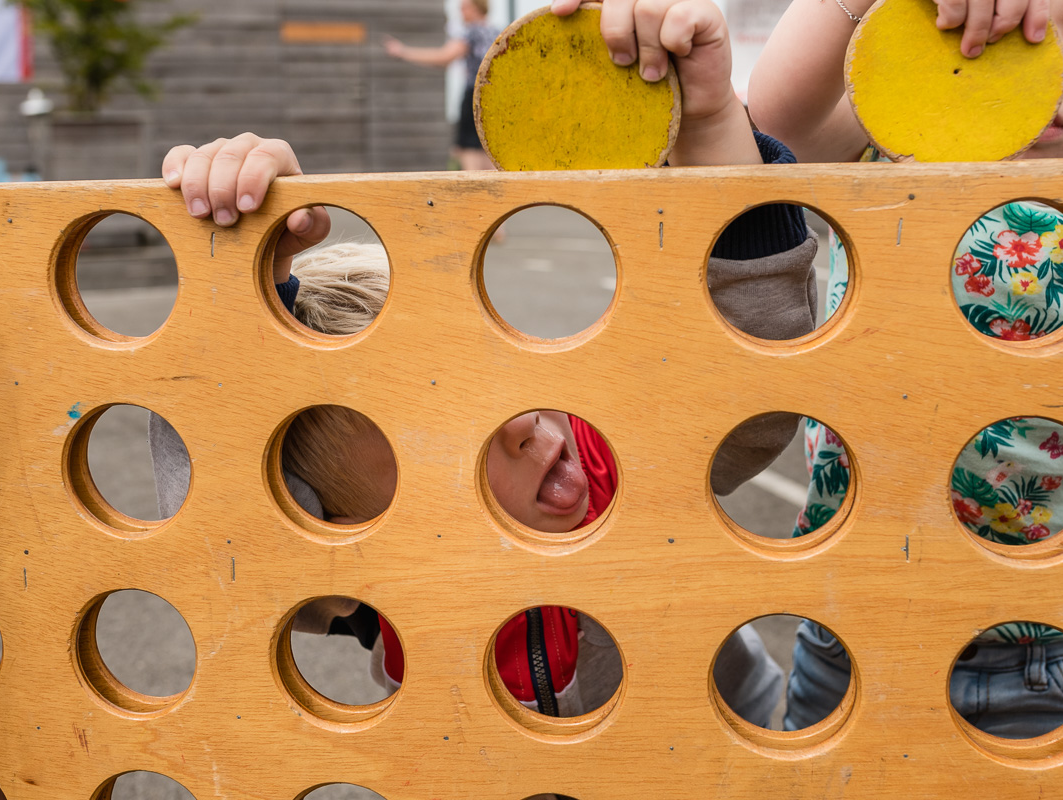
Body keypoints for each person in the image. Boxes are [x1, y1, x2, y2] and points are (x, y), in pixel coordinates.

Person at [156, 0, 825, 722]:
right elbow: (227, 544)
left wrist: (708, 121)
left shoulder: (613, 470)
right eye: (444, 436)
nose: (528, 427)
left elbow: (752, 366)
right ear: (339, 530)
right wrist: (235, 293)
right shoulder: (381, 588)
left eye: (501, 384)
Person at [747, 0, 1063, 737]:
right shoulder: (889, 159)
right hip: (859, 624)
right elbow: (776, 125)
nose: (1041, 67)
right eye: (1001, 32)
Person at [384, 0, 500, 172]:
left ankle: (477, 198)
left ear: (476, 8)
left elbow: (444, 57)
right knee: (491, 152)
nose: (460, 13)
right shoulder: (497, 32)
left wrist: (403, 52)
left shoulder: (472, 32)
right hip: (497, 99)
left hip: (475, 99)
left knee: (470, 153)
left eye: (463, 8)